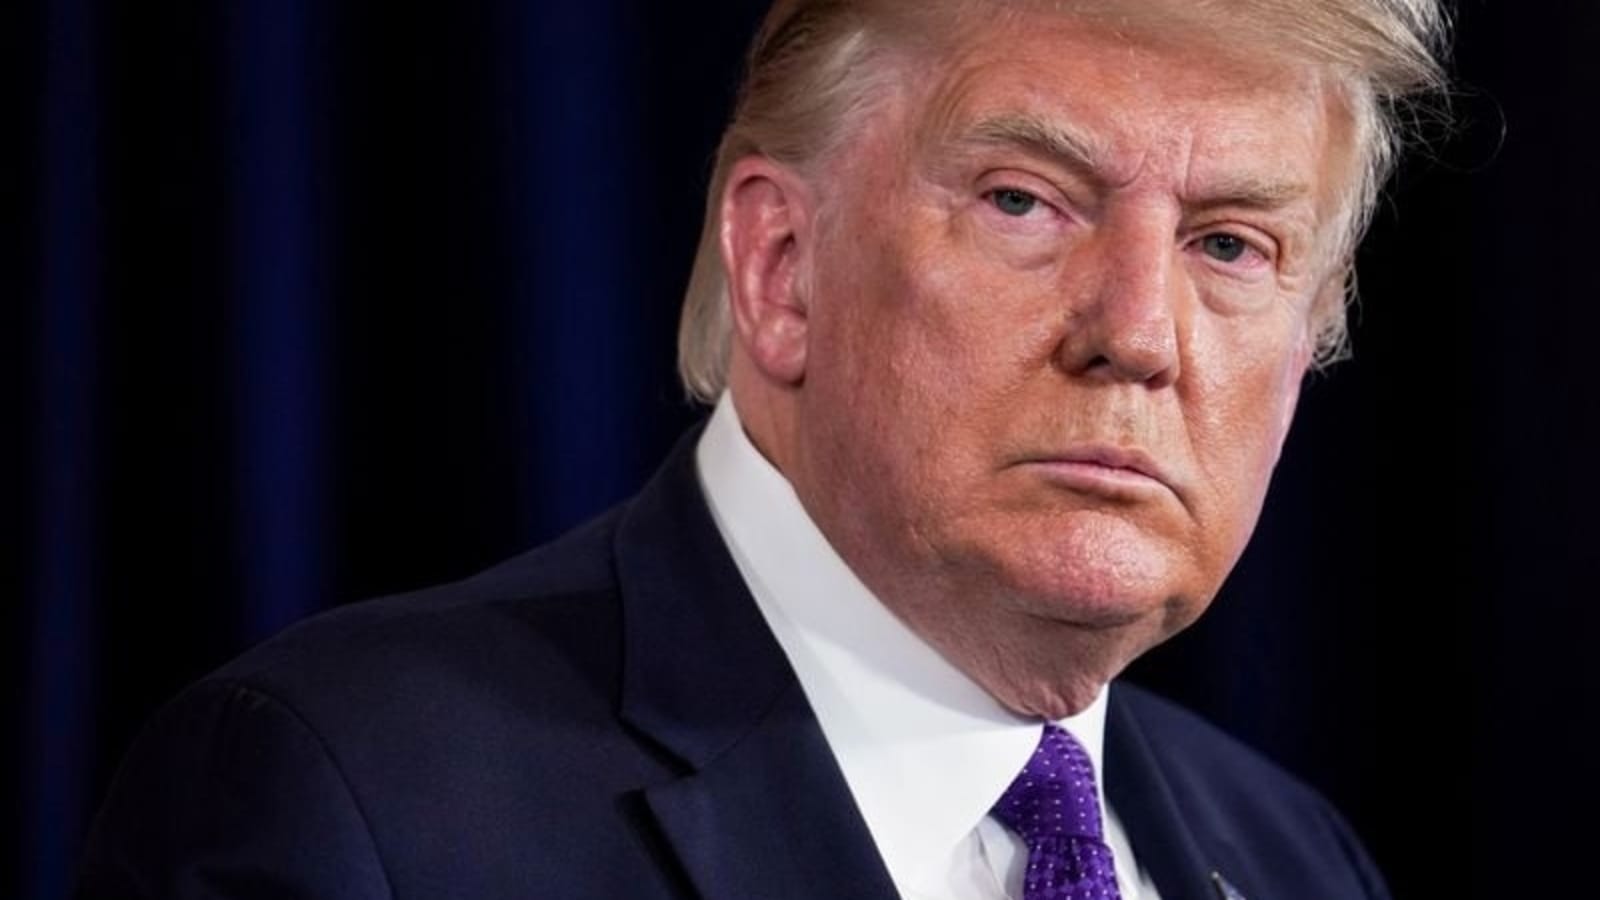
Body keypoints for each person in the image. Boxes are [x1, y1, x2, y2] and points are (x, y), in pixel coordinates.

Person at [78, 1, 1448, 898]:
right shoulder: (350, 807)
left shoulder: (1297, 862)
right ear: (782, 268)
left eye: (1230, 245)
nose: (1140, 332)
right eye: (1027, 201)